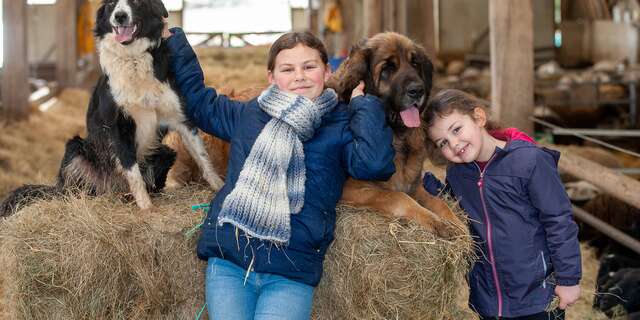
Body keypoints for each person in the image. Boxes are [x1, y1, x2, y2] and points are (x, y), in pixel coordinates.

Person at [163, 25, 395, 320]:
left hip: (290, 271)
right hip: (230, 264)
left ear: (326, 72)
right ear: (271, 78)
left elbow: (374, 164)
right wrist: (175, 44)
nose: (299, 76)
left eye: (309, 66)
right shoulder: (249, 114)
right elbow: (198, 104)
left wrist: (364, 106)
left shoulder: (341, 126)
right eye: (287, 69)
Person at [421, 89, 581, 320]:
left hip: (536, 297)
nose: (454, 144)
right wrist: (422, 181)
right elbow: (453, 207)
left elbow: (559, 220)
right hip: (488, 298)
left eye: (456, 129)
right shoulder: (457, 173)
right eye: (443, 142)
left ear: (478, 118)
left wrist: (568, 280)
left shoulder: (529, 162)